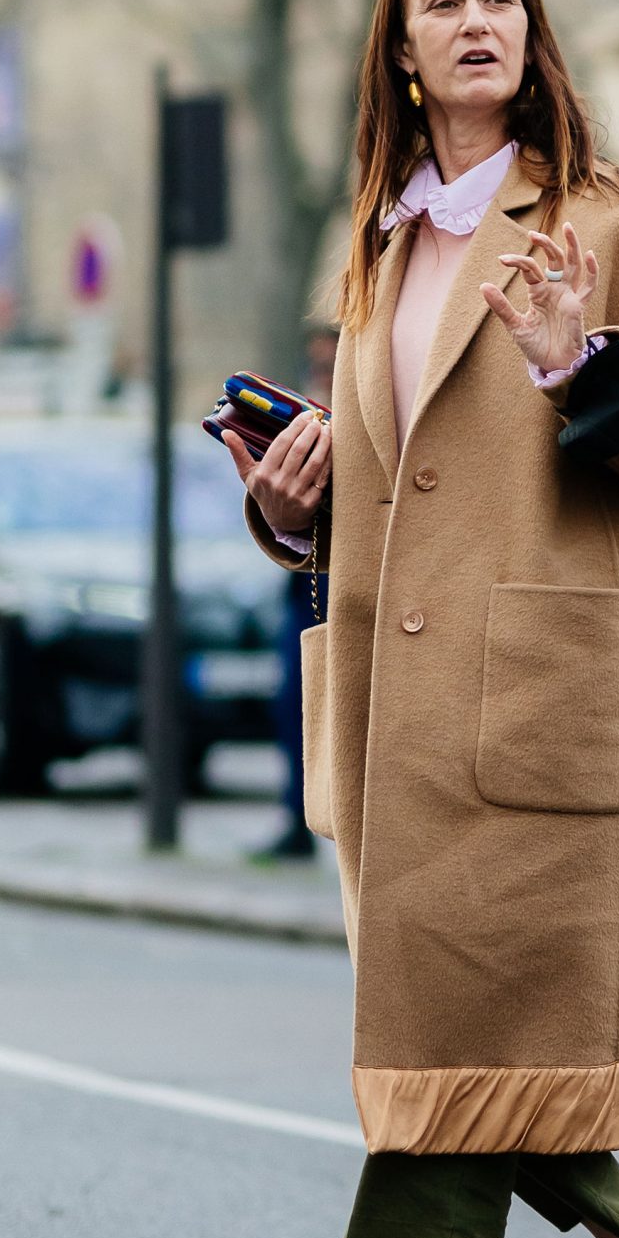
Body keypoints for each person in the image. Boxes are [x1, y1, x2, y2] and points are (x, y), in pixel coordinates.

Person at [225, 0, 619, 1238]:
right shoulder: (386, 242)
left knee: (451, 1041)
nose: (472, 20)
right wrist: (292, 505)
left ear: (531, 32)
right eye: (439, 0)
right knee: (453, 1038)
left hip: (539, 708)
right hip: (399, 707)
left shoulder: (618, 225)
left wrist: (588, 364)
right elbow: (395, 480)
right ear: (399, 44)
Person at [251, 325, 339, 866]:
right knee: (296, 703)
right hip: (303, 577)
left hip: (341, 576)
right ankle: (296, 817)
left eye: (328, 361)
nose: (321, 370)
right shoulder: (305, 415)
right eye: (315, 363)